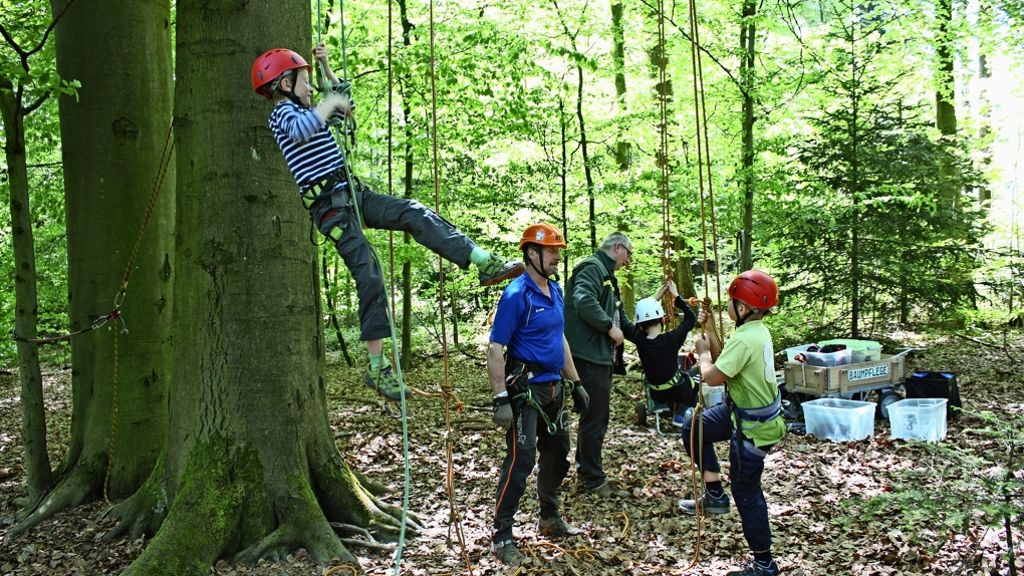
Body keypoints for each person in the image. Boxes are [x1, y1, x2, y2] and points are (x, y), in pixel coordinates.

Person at [251, 45, 523, 401]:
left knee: (413, 211)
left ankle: (481, 261)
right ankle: (378, 368)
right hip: (330, 208)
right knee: (370, 270)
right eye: (304, 82)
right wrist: (330, 103)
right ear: (285, 84)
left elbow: (343, 99)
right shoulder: (283, 113)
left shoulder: (309, 110)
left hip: (353, 194)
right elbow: (305, 128)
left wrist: (326, 67)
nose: (310, 89)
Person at [487, 223, 590, 567]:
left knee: (559, 451)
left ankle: (549, 516)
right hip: (525, 389)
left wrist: (575, 382)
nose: (557, 257)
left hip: (553, 388)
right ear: (532, 254)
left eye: (558, 251)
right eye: (551, 252)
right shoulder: (517, 295)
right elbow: (496, 348)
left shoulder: (554, 290)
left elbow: (559, 340)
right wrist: (500, 397)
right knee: (522, 458)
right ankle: (501, 535)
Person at [679, 270, 785, 576]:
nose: (728, 305)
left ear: (743, 308)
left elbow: (712, 376)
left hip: (753, 425)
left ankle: (764, 563)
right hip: (743, 412)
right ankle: (714, 494)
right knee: (695, 426)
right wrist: (709, 329)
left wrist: (701, 354)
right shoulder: (754, 331)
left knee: (746, 489)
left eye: (732, 301)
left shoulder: (748, 337)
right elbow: (726, 358)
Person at [563, 232, 634, 498]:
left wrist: (653, 340)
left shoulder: (607, 277)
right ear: (617, 248)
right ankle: (592, 478)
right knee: (594, 417)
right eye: (628, 252)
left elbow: (621, 321)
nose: (628, 260)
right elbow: (584, 301)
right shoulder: (592, 268)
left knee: (595, 416)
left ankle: (588, 472)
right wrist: (608, 328)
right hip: (588, 356)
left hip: (600, 356)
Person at [621, 279, 699, 426]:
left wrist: (654, 300)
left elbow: (629, 325)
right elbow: (691, 318)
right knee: (697, 376)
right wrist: (677, 296)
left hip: (655, 393)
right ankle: (681, 414)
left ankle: (661, 406)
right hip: (677, 390)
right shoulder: (671, 338)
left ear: (640, 325)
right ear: (662, 320)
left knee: (673, 381)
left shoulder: (640, 339)